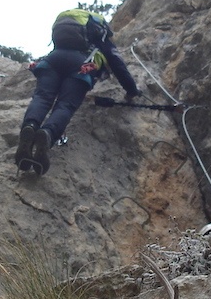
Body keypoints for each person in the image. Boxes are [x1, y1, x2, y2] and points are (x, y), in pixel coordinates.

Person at [15, 9, 141, 175]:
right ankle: (47, 133)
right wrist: (132, 90)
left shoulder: (67, 35)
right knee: (65, 105)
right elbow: (116, 62)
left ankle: (30, 127)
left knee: (42, 97)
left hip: (52, 59)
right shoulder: (100, 35)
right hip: (81, 66)